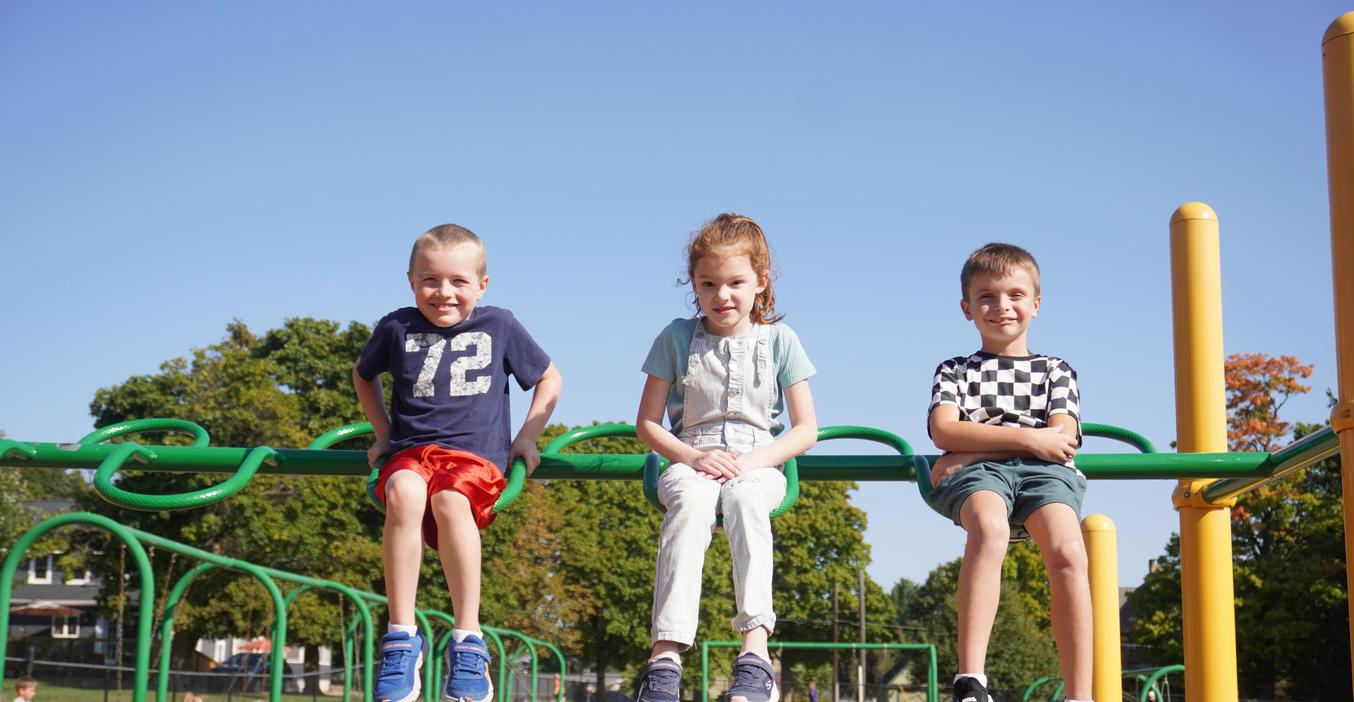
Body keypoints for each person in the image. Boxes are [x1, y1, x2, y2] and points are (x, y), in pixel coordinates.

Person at [354, 224, 563, 702]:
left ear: (481, 285)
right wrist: (383, 433)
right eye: (430, 280)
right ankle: (401, 637)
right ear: (411, 281)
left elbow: (549, 378)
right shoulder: (397, 327)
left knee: (450, 500)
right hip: (411, 453)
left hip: (472, 461)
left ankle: (468, 638)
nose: (443, 292)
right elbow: (363, 376)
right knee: (404, 491)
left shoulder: (500, 325)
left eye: (458, 281)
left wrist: (528, 436)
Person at [634, 214, 818, 702]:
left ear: (761, 282)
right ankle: (665, 657)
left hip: (757, 462)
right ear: (692, 283)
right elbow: (647, 424)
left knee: (744, 502)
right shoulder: (676, 337)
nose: (722, 296)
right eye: (708, 283)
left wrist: (753, 462)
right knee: (691, 506)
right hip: (690, 456)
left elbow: (806, 429)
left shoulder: (781, 340)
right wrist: (694, 456)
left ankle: (755, 654)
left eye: (736, 282)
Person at [924, 243, 1091, 702]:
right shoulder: (956, 370)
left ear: (1036, 304)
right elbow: (943, 429)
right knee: (990, 528)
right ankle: (971, 679)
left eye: (1015, 295)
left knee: (1068, 551)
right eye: (987, 297)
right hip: (985, 481)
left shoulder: (1056, 370)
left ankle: (1081, 693)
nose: (1002, 307)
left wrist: (973, 448)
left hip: (1045, 475)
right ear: (967, 308)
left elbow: (1061, 437)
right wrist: (1025, 439)